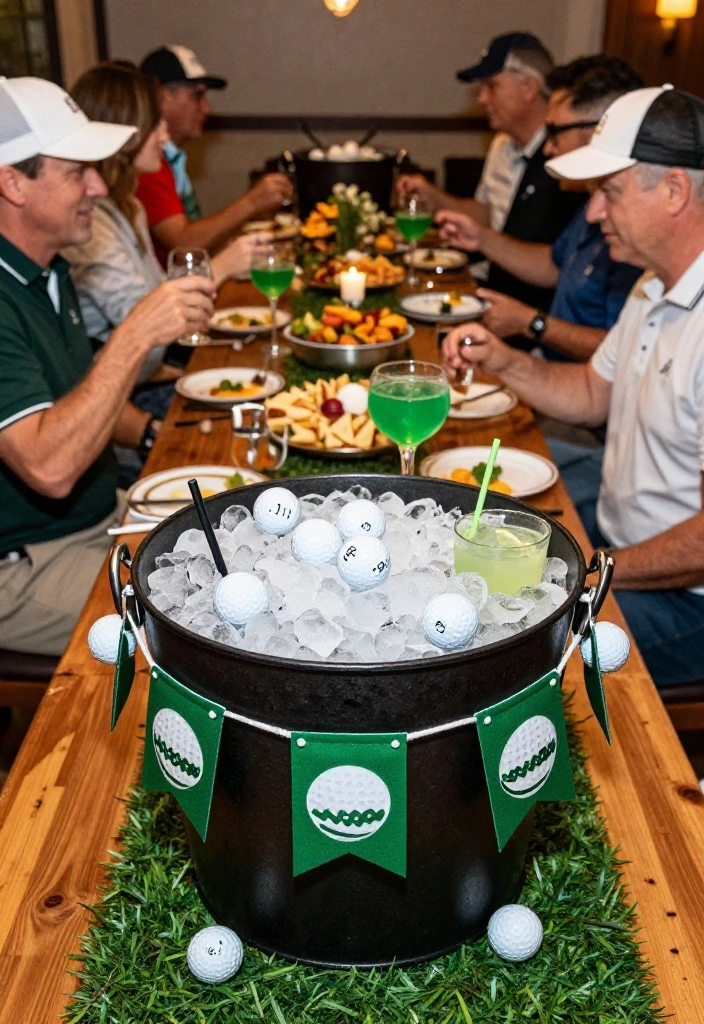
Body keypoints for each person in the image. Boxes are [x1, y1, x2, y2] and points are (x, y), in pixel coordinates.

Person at [442, 85, 704, 688]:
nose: (592, 213)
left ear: (674, 192)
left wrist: (590, 567)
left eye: (608, 192)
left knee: (501, 646)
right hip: (618, 542)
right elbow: (591, 393)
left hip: (684, 599)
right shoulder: (652, 286)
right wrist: (503, 361)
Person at [0, 76, 214, 656]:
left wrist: (148, 432)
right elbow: (49, 467)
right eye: (77, 172)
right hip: (24, 567)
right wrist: (136, 332)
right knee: (205, 622)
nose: (99, 185)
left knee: (238, 531)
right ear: (12, 182)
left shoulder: (47, 269)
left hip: (94, 520)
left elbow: (72, 402)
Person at [62, 63, 267, 484]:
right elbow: (142, 318)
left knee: (261, 401)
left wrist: (159, 367)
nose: (164, 134)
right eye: (153, 123)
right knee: (244, 449)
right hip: (119, 416)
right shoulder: (90, 223)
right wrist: (223, 266)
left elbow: (148, 315)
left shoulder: (128, 205)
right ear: (123, 131)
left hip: (147, 379)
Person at [437, 57, 644, 361]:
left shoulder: (636, 225)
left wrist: (530, 322)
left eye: (555, 131)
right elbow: (552, 266)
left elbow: (621, 351)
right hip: (547, 367)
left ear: (599, 131)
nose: (547, 148)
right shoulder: (591, 201)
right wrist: (481, 238)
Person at [397, 32, 583, 324]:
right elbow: (487, 214)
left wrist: (482, 240)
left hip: (533, 316)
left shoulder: (566, 159)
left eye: (492, 86)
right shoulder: (501, 145)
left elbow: (556, 265)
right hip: (490, 288)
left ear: (529, 88)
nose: (482, 99)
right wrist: (434, 198)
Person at [137, 45, 292, 265]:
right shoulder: (148, 165)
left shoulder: (172, 158)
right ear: (162, 98)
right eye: (197, 95)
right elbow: (184, 243)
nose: (207, 108)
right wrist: (252, 202)